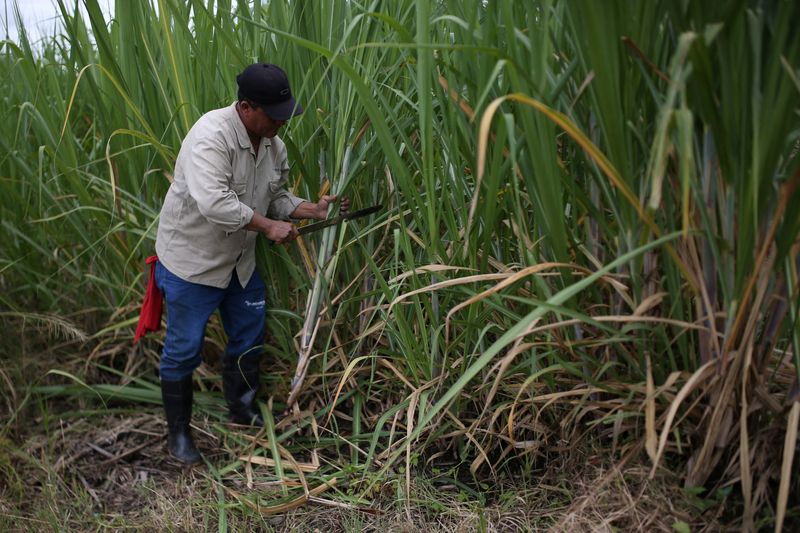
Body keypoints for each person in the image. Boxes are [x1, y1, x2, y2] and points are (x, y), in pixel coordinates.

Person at [152, 63, 347, 464]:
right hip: (193, 263)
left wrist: (311, 209)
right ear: (246, 107)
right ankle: (179, 436)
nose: (281, 121)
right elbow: (215, 204)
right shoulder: (210, 137)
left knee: (248, 337)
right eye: (274, 114)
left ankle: (242, 413)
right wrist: (267, 227)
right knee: (183, 349)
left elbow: (273, 197)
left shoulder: (273, 144)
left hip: (239, 262)